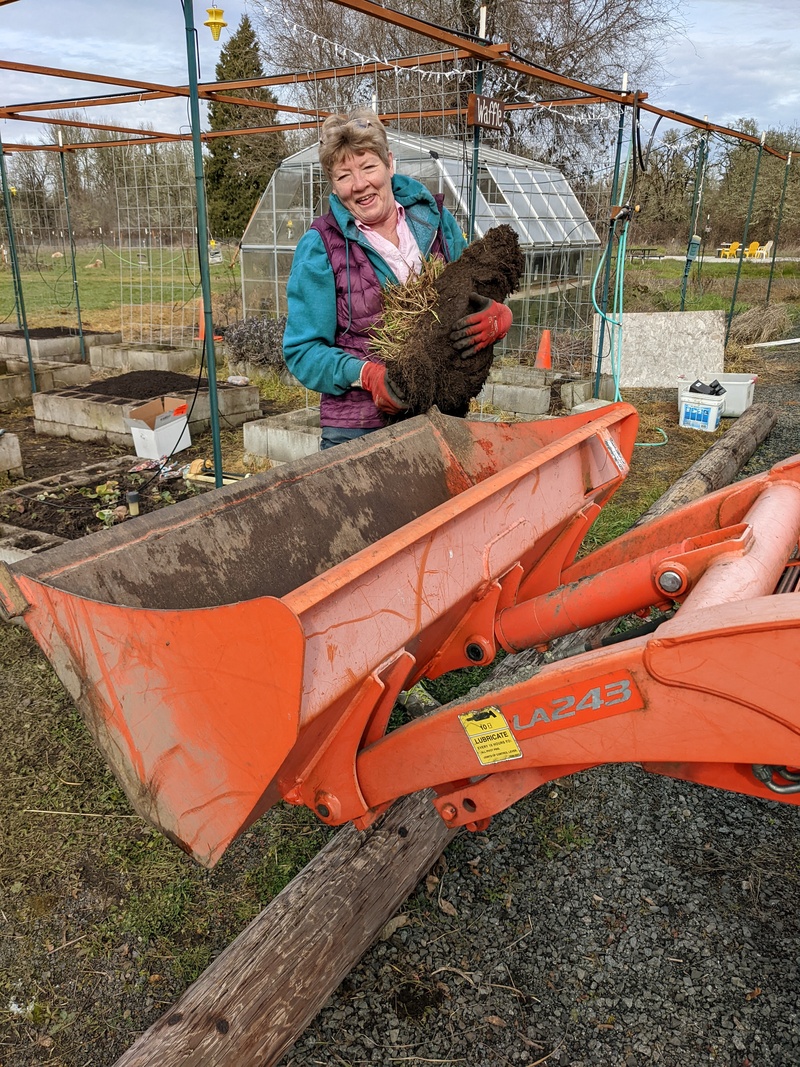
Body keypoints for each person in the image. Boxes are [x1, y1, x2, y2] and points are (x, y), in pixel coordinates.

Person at [283, 109, 513, 449]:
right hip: (359, 429)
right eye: (344, 175)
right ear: (332, 184)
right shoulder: (321, 246)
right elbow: (302, 351)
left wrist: (500, 315)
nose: (359, 184)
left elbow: (472, 293)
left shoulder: (434, 221)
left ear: (389, 163)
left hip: (439, 415)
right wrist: (367, 375)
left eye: (368, 167)